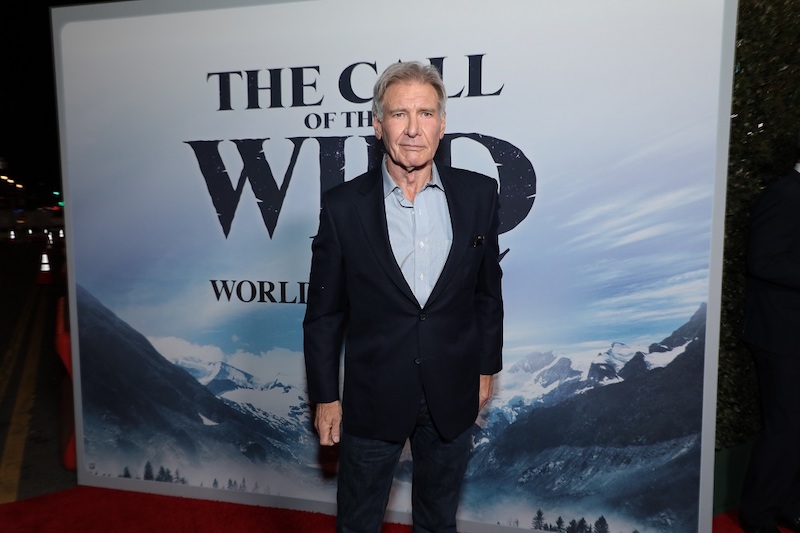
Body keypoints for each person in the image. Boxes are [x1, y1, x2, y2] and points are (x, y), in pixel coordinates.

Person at [303, 61, 504, 533]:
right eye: (399, 115)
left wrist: (485, 365)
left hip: (452, 391)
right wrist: (326, 396)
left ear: (443, 123)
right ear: (377, 126)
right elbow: (325, 314)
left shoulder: (480, 195)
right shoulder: (343, 207)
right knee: (357, 522)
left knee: (438, 521)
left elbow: (487, 289)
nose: (414, 129)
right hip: (372, 397)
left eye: (426, 113)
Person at [739, 158, 800, 533]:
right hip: (780, 335)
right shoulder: (784, 194)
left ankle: (790, 506)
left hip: (792, 330)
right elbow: (762, 261)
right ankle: (757, 515)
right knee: (785, 427)